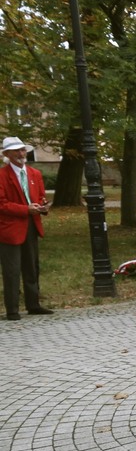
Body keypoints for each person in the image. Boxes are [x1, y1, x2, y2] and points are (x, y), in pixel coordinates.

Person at [0, 136, 52, 320]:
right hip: (10, 229)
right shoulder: (2, 175)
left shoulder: (34, 174)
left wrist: (43, 207)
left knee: (32, 267)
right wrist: (25, 209)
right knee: (12, 270)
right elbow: (2, 204)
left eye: (23, 150)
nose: (21, 154)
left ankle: (33, 304)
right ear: (7, 154)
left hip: (32, 225)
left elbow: (40, 197)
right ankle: (12, 310)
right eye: (16, 151)